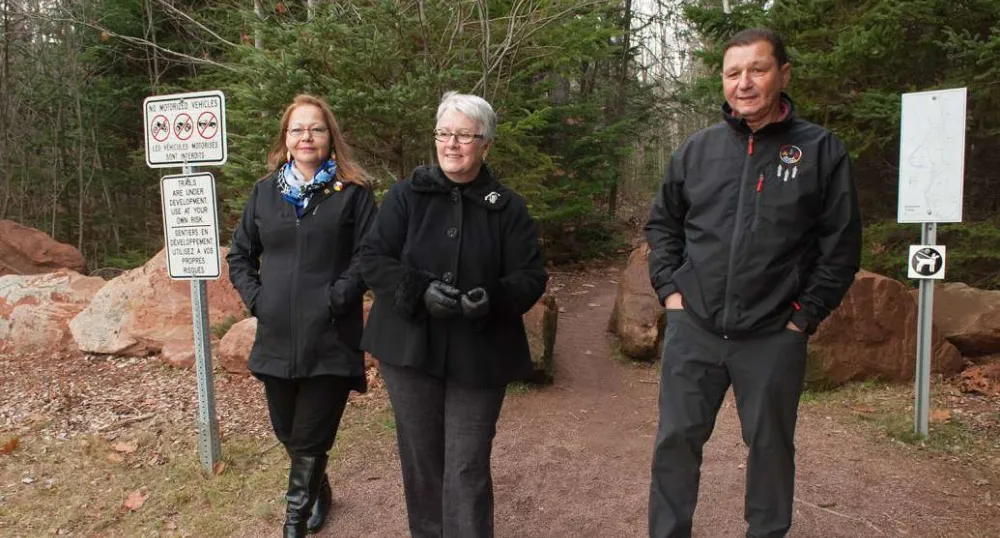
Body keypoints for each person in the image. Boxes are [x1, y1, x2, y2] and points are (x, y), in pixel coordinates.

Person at [645, 28, 861, 538]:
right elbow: (663, 224)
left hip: (772, 335)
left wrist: (803, 316)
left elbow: (841, 245)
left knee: (769, 448)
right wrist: (671, 292)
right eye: (733, 73)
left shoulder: (820, 151)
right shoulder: (697, 150)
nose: (744, 83)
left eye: (757, 70)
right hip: (693, 327)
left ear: (783, 75)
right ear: (722, 80)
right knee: (675, 443)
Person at [359, 91, 548, 538]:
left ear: (486, 144)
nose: (452, 144)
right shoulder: (407, 196)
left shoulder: (508, 206)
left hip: (479, 354)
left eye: (464, 135)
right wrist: (418, 290)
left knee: (466, 465)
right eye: (445, 133)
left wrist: (496, 298)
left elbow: (531, 275)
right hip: (409, 350)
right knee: (423, 464)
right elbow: (373, 257)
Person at [227, 94, 377, 538]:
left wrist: (337, 298)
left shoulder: (353, 194)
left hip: (329, 336)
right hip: (276, 336)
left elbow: (369, 255)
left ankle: (294, 522)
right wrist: (259, 300)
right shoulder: (265, 192)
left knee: (311, 437)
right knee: (288, 432)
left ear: (330, 137)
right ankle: (319, 485)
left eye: (315, 128)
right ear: (285, 139)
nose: (306, 136)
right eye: (297, 129)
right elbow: (240, 255)